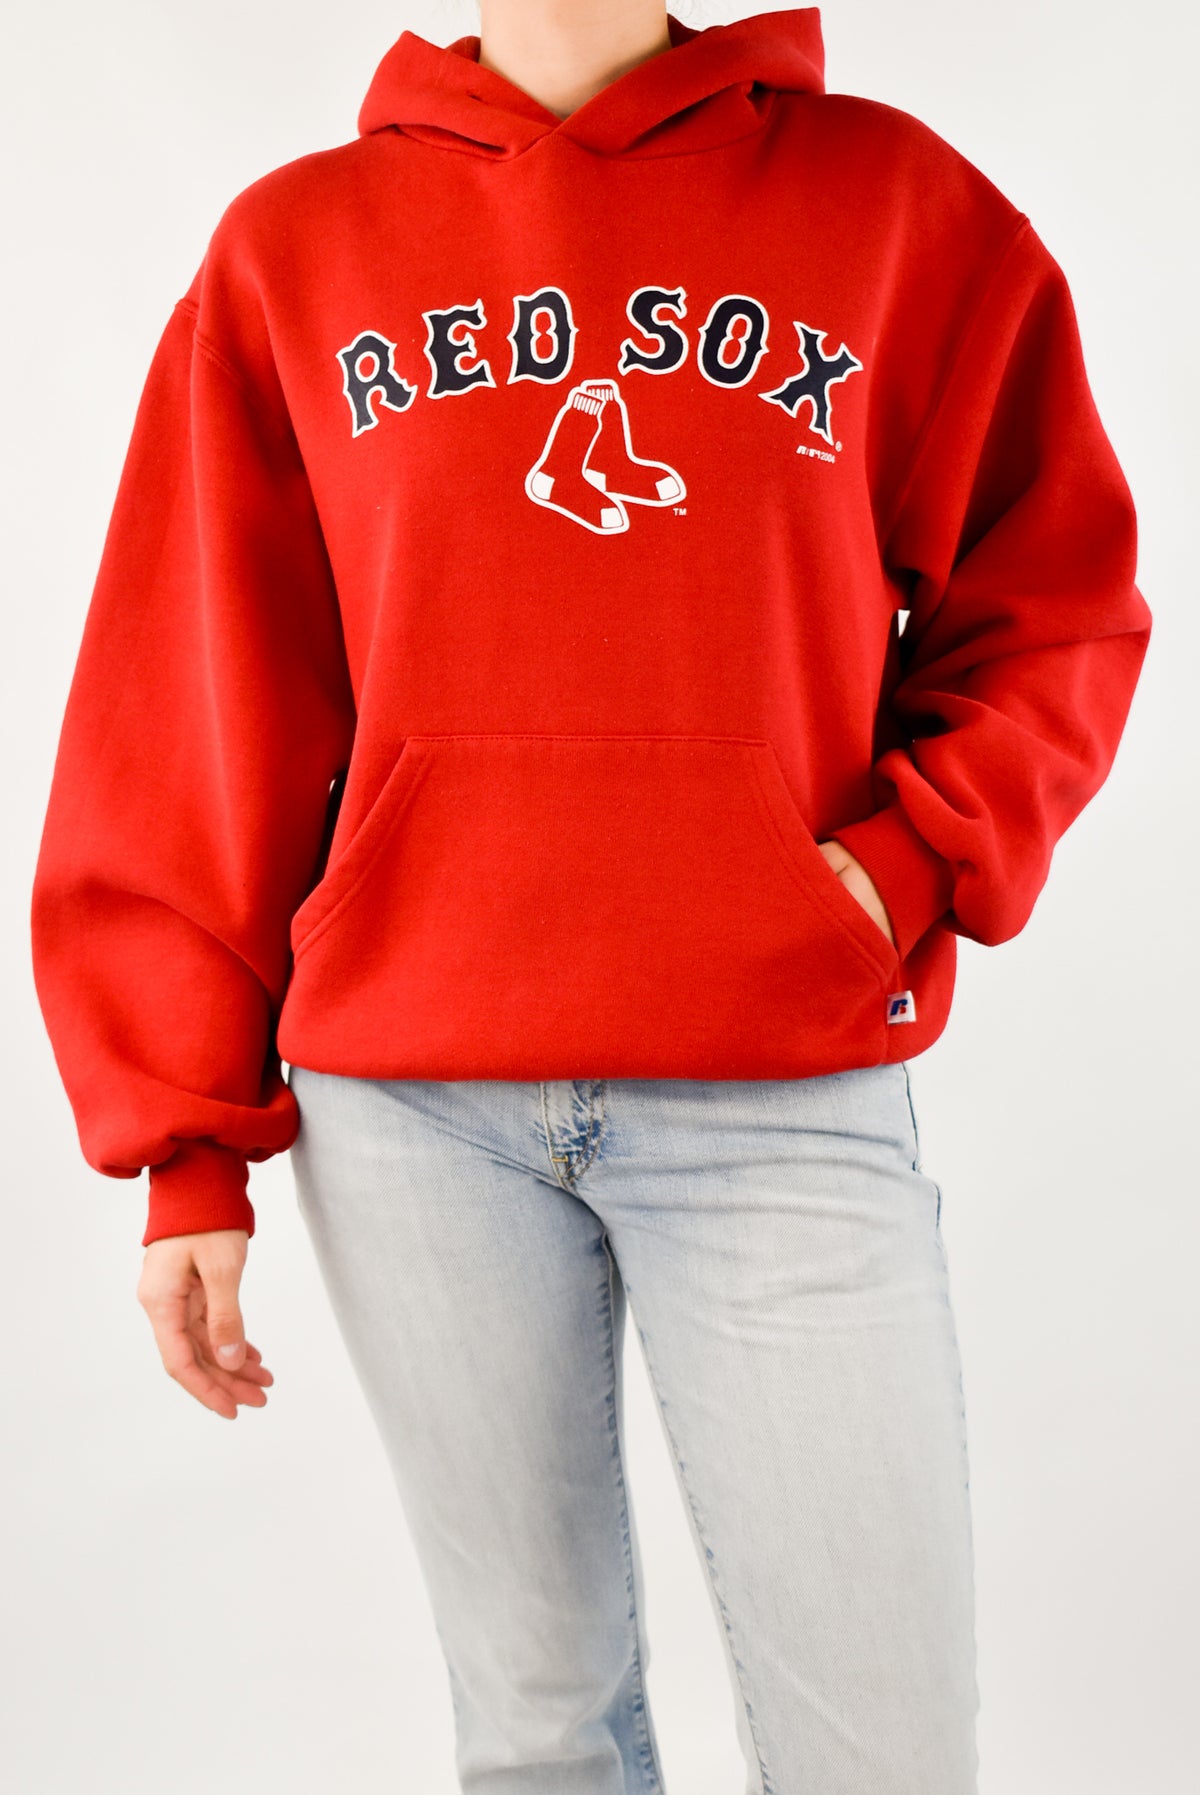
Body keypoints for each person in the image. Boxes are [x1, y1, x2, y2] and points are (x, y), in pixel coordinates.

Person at [30, 2, 1151, 1789]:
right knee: (540, 1734)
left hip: (784, 1084)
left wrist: (900, 866)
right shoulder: (294, 248)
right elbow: (195, 702)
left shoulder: (898, 211)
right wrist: (183, 1146)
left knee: (884, 1749)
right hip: (412, 1112)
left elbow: (1058, 604)